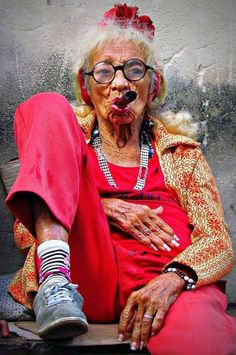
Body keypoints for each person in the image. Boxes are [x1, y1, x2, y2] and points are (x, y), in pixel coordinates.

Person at [1, 3, 236, 354]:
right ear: (86, 88)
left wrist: (173, 279)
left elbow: (218, 242)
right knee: (45, 105)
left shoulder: (181, 152)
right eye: (105, 71)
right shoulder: (65, 142)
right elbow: (26, 231)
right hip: (85, 280)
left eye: (134, 69)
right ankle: (54, 280)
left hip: (165, 286)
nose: (120, 82)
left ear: (153, 85)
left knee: (200, 339)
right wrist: (103, 207)